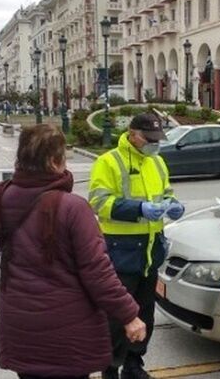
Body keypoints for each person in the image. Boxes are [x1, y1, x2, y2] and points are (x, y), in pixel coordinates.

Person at [0, 124, 147, 379]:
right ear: (54, 161)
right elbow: (98, 272)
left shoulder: (1, 196)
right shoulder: (72, 207)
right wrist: (129, 315)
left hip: (17, 322)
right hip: (64, 330)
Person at [89, 113, 185, 379]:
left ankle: (134, 364)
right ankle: (110, 368)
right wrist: (139, 208)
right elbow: (99, 202)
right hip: (121, 251)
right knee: (118, 317)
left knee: (145, 313)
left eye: (157, 139)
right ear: (132, 134)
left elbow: (166, 192)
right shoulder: (108, 162)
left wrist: (172, 205)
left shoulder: (157, 161)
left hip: (151, 251)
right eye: (148, 139)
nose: (154, 144)